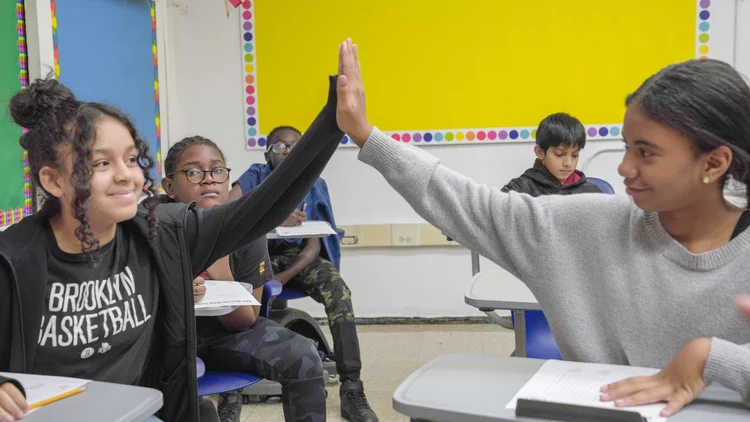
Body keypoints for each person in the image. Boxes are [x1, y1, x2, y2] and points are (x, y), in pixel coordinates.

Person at [334, 38, 750, 416]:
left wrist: (711, 356)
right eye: (627, 146)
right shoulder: (585, 225)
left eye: (646, 152)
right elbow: (470, 203)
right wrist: (365, 134)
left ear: (714, 163)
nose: (624, 167)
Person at [0, 74, 344, 421]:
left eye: (132, 160)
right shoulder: (13, 261)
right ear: (54, 180)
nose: (126, 176)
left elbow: (268, 205)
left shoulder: (161, 233)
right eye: (102, 163)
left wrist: (333, 120)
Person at [161, 135, 327, 422]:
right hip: (164, 337)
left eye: (217, 170)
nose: (209, 179)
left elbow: (247, 319)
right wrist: (176, 293)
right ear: (169, 186)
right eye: (193, 172)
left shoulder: (247, 229)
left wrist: (219, 268)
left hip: (225, 335)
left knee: (304, 354)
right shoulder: (153, 224)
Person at [228, 126, 378, 422]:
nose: (287, 151)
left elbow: (312, 246)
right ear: (267, 153)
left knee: (340, 293)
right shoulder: (255, 176)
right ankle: (230, 396)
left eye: (295, 146)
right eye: (279, 146)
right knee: (233, 294)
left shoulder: (313, 183)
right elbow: (229, 210)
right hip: (258, 257)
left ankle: (351, 387)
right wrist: (274, 217)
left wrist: (282, 279)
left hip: (297, 261)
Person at [502, 112, 601, 195]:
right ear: (540, 152)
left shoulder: (592, 192)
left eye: (575, 155)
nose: (568, 163)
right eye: (559, 154)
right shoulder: (520, 189)